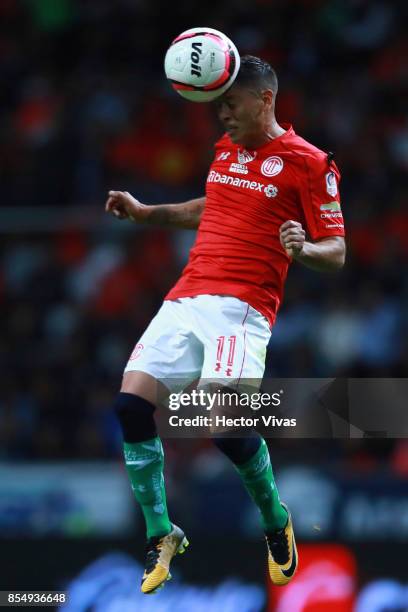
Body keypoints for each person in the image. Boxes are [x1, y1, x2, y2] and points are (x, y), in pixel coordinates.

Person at [105, 55, 345, 594]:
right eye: (217, 106)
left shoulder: (310, 163)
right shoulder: (226, 150)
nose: (221, 116)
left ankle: (274, 521)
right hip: (186, 295)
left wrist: (303, 247)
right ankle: (161, 533)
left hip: (243, 308)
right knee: (130, 405)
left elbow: (338, 250)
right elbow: (212, 207)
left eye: (230, 105)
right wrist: (147, 214)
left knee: (217, 423)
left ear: (265, 99)